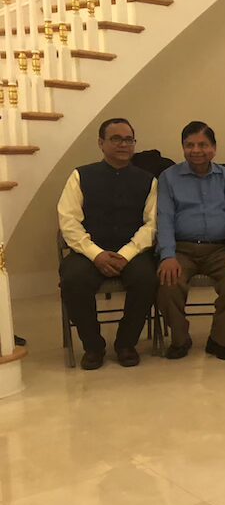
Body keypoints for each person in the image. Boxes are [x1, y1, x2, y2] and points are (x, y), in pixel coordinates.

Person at [57, 117, 157, 369]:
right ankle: (93, 346)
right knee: (73, 279)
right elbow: (68, 222)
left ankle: (126, 343)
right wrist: (96, 254)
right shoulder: (80, 176)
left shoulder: (148, 180)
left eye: (128, 140)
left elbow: (152, 224)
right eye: (116, 139)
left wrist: (126, 254)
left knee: (147, 278)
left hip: (132, 252)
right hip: (89, 251)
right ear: (101, 143)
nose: (123, 144)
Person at [156, 121, 225, 361]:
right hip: (181, 249)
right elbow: (164, 219)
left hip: (220, 249)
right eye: (190, 145)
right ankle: (180, 339)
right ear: (183, 148)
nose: (196, 150)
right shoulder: (168, 178)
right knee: (168, 280)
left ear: (214, 148)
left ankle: (221, 340)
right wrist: (167, 256)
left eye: (203, 145)